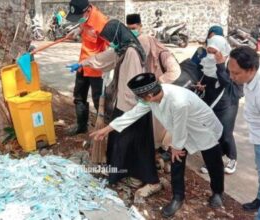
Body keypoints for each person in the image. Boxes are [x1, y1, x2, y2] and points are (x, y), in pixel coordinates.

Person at [90, 73, 225, 218]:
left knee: (213, 161)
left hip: (202, 128)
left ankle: (217, 192)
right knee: (176, 162)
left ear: (149, 96)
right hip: (181, 129)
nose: (140, 101)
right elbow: (133, 114)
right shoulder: (152, 97)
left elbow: (180, 128)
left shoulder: (178, 102)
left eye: (141, 98)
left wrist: (176, 147)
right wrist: (107, 129)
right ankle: (178, 197)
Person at [68, 19, 162, 197]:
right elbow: (104, 58)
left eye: (111, 38)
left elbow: (134, 84)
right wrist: (82, 63)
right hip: (123, 104)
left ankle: (146, 178)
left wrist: (128, 110)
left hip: (132, 107)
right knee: (120, 143)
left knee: (136, 146)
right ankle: (122, 173)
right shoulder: (123, 48)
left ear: (118, 35)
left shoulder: (132, 52)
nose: (111, 42)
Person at [126, 13, 181, 152]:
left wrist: (158, 83)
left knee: (162, 123)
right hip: (149, 94)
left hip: (161, 92)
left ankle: (164, 148)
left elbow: (175, 71)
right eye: (129, 28)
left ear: (140, 27)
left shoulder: (162, 53)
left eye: (134, 27)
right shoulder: (139, 51)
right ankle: (154, 147)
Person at [228, 46, 260, 219]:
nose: (231, 77)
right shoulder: (259, 67)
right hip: (258, 130)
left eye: (236, 73)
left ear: (251, 69)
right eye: (230, 71)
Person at [193, 35, 242, 174]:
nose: (210, 55)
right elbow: (208, 80)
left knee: (226, 132)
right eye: (208, 51)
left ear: (222, 51)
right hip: (211, 100)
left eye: (214, 52)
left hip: (228, 103)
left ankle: (232, 158)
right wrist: (202, 86)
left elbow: (228, 83)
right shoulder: (207, 62)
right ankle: (213, 160)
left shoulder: (230, 64)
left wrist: (220, 65)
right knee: (211, 131)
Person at [64, 0, 109, 136]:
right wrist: (77, 31)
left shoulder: (101, 22)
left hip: (96, 68)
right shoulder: (84, 17)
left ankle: (104, 130)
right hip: (82, 65)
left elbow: (110, 49)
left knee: (98, 101)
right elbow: (84, 27)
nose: (78, 19)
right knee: (79, 97)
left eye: (79, 16)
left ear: (88, 10)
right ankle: (81, 126)